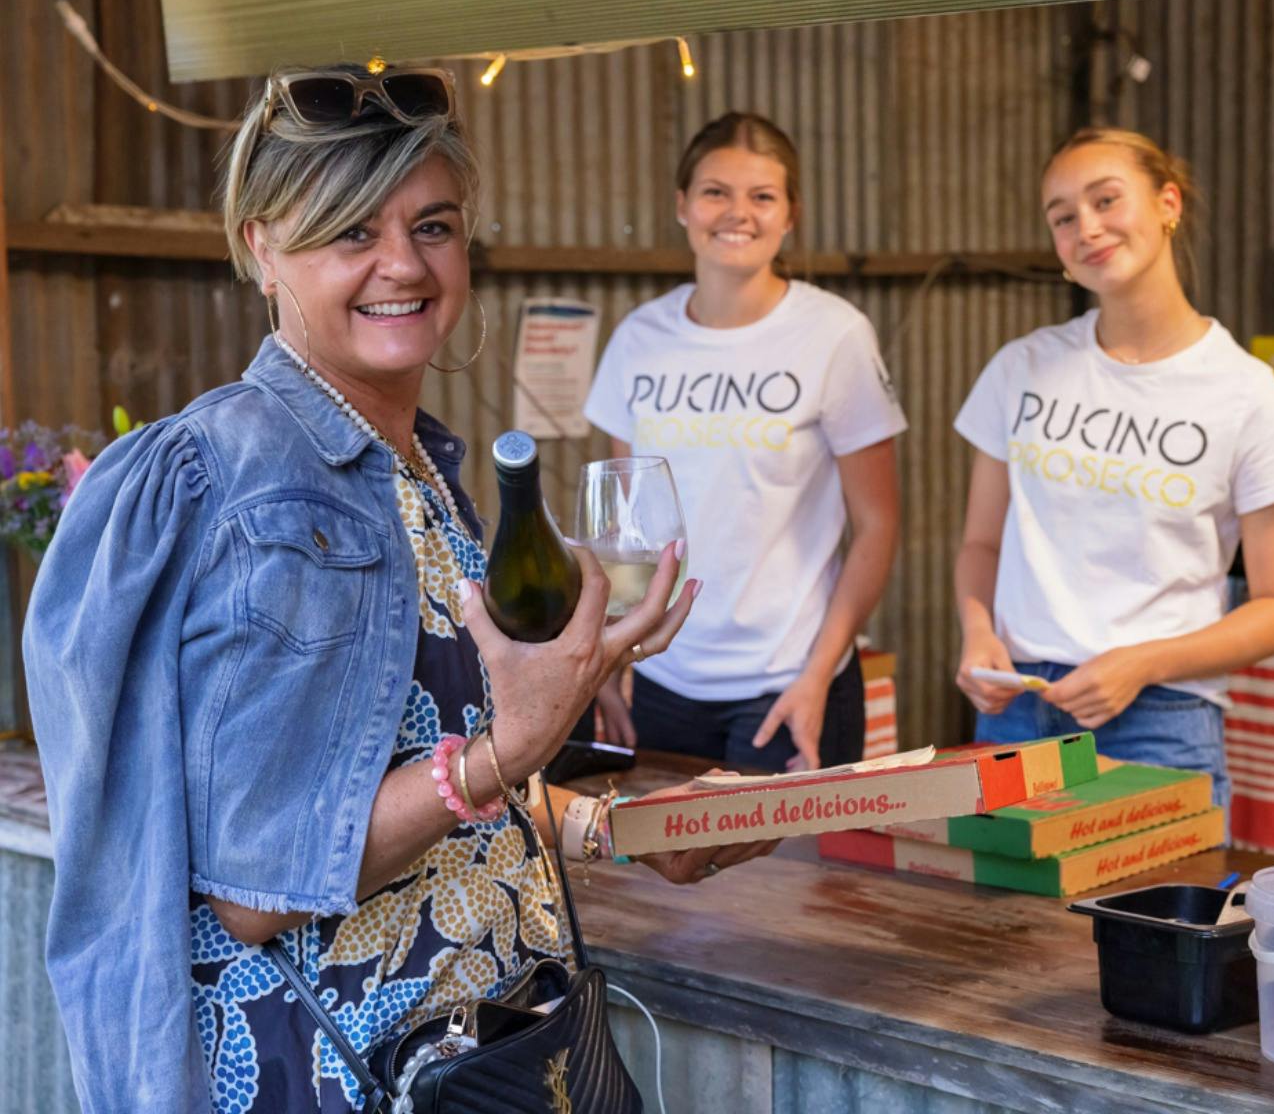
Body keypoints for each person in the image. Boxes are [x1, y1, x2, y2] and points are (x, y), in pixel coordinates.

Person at [24, 64, 772, 1113]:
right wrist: (509, 744)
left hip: (498, 1051)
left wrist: (620, 831)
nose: (401, 266)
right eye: (349, 232)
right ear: (261, 246)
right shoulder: (246, 483)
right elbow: (257, 886)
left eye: (432, 226)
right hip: (347, 1072)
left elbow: (411, 768)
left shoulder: (413, 465)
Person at [952, 126, 1274, 812]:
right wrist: (978, 633)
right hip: (1015, 712)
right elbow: (981, 545)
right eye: (1063, 217)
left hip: (1161, 721)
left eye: (1105, 200)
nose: (1086, 227)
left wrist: (1144, 662)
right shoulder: (1020, 368)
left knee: (1150, 922)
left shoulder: (1249, 395)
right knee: (1003, 922)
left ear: (1168, 204)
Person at [582, 112, 906, 773]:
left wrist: (818, 676)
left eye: (763, 196)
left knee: (783, 879)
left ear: (791, 215)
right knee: (657, 877)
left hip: (789, 682)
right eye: (715, 192)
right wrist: (611, 660)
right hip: (664, 680)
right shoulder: (639, 339)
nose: (739, 213)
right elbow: (624, 532)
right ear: (682, 205)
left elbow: (878, 524)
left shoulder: (834, 333)